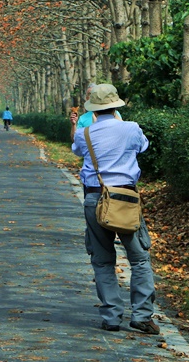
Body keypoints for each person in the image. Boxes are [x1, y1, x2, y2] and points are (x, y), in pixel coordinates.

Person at [70, 83, 159, 335]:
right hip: (126, 199)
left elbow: (77, 151)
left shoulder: (84, 133)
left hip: (94, 198)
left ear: (94, 111)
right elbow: (143, 147)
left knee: (102, 260)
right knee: (139, 259)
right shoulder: (131, 129)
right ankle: (142, 315)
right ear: (116, 106)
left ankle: (111, 316)